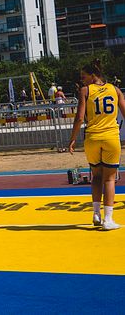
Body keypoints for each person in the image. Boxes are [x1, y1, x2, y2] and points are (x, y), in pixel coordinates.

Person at [68, 59, 125, 230]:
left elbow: (79, 118)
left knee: (96, 176)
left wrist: (72, 139)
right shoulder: (115, 90)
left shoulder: (85, 91)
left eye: (83, 77)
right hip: (110, 137)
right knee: (109, 178)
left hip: (92, 137)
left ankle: (95, 213)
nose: (82, 80)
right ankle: (108, 219)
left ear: (93, 76)